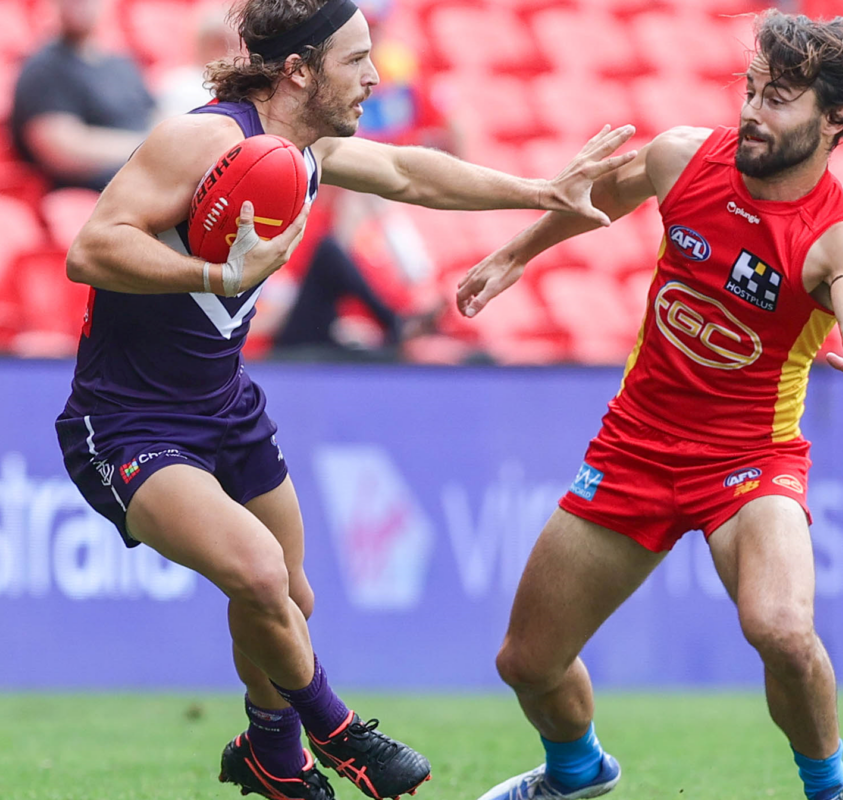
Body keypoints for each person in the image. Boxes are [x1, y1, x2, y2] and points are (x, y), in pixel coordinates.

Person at [57, 1, 637, 799]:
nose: (376, 74)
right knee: (260, 577)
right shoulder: (203, 140)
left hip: (225, 408)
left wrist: (540, 190)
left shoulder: (304, 148)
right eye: (357, 58)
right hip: (126, 422)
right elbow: (90, 249)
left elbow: (407, 172)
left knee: (290, 596)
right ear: (299, 69)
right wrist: (216, 275)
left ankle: (270, 750)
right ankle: (339, 732)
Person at [457, 11, 843, 800]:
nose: (752, 110)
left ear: (837, 119)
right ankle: (576, 774)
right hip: (634, 448)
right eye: (751, 90)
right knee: (525, 662)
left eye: (778, 99)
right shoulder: (684, 158)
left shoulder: (839, 237)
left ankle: (831, 790)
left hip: (750, 463)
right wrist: (514, 255)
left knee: (780, 630)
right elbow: (603, 191)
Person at [10, 0, 155, 191]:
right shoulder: (43, 69)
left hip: (145, 173)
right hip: (100, 191)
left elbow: (155, 114)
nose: (80, 4)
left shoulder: (121, 64)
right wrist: (145, 148)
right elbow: (61, 150)